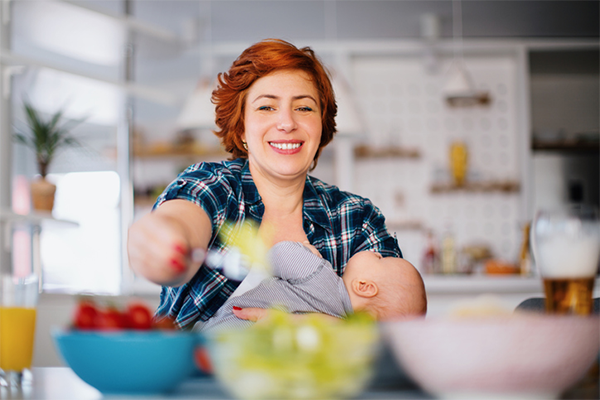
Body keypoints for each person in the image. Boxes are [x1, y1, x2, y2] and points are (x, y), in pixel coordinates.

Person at [127, 38, 402, 330]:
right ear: (242, 127)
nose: (286, 122)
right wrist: (160, 240)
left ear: (321, 126)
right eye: (267, 107)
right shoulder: (214, 187)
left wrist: (312, 330)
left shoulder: (355, 217)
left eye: (305, 108)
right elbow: (179, 226)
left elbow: (396, 333)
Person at [198, 241, 427, 333]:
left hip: (231, 326)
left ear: (364, 286)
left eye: (381, 259)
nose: (376, 252)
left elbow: (281, 254)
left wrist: (304, 251)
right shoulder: (335, 339)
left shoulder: (320, 274)